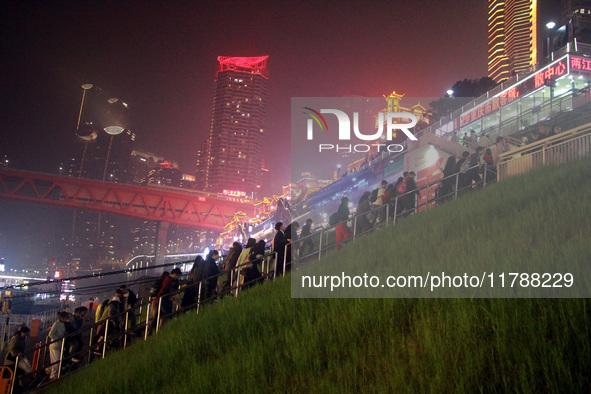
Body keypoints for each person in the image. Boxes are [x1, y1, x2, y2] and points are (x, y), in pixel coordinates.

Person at [48, 312, 71, 380]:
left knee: (57, 361)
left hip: (58, 344)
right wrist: (58, 338)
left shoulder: (61, 323)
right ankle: (53, 376)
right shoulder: (57, 324)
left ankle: (54, 375)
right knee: (56, 362)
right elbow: (50, 334)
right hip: (55, 345)